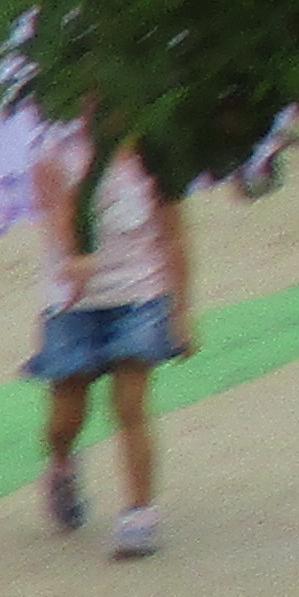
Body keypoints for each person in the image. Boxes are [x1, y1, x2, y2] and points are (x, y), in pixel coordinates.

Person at [31, 111, 194, 559]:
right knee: (65, 418)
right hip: (73, 304)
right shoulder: (54, 151)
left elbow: (174, 234)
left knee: (131, 405)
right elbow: (59, 214)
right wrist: (74, 254)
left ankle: (140, 513)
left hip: (140, 294)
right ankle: (62, 465)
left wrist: (182, 310)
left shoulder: (154, 153)